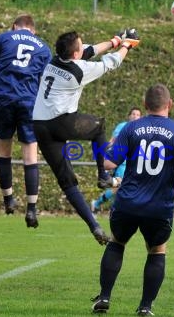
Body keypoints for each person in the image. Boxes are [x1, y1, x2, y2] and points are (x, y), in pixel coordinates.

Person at [91, 84, 174, 317]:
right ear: (170, 105)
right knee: (157, 250)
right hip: (159, 206)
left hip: (127, 202)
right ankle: (145, 306)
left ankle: (105, 296)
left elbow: (108, 164)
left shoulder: (131, 128)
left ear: (145, 104)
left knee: (117, 242)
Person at [32, 28, 140, 244]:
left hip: (39, 124)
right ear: (74, 55)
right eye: (80, 47)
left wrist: (115, 40)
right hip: (60, 121)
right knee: (98, 128)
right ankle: (103, 176)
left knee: (67, 182)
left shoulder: (54, 61)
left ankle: (94, 226)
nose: (84, 48)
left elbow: (90, 50)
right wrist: (127, 46)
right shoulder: (78, 71)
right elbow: (111, 63)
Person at [0, 14, 52, 228]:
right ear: (32, 30)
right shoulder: (43, 47)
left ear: (15, 26)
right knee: (30, 155)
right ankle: (32, 209)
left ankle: (8, 199)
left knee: (3, 149)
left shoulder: (3, 38)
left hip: (4, 97)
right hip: (29, 102)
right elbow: (44, 82)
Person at [91, 107, 142, 213]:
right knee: (120, 185)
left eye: (138, 115)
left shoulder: (142, 129)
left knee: (121, 187)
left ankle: (97, 204)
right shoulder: (123, 126)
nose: (135, 116)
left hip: (135, 163)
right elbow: (113, 141)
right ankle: (114, 209)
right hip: (121, 162)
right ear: (129, 116)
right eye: (133, 114)